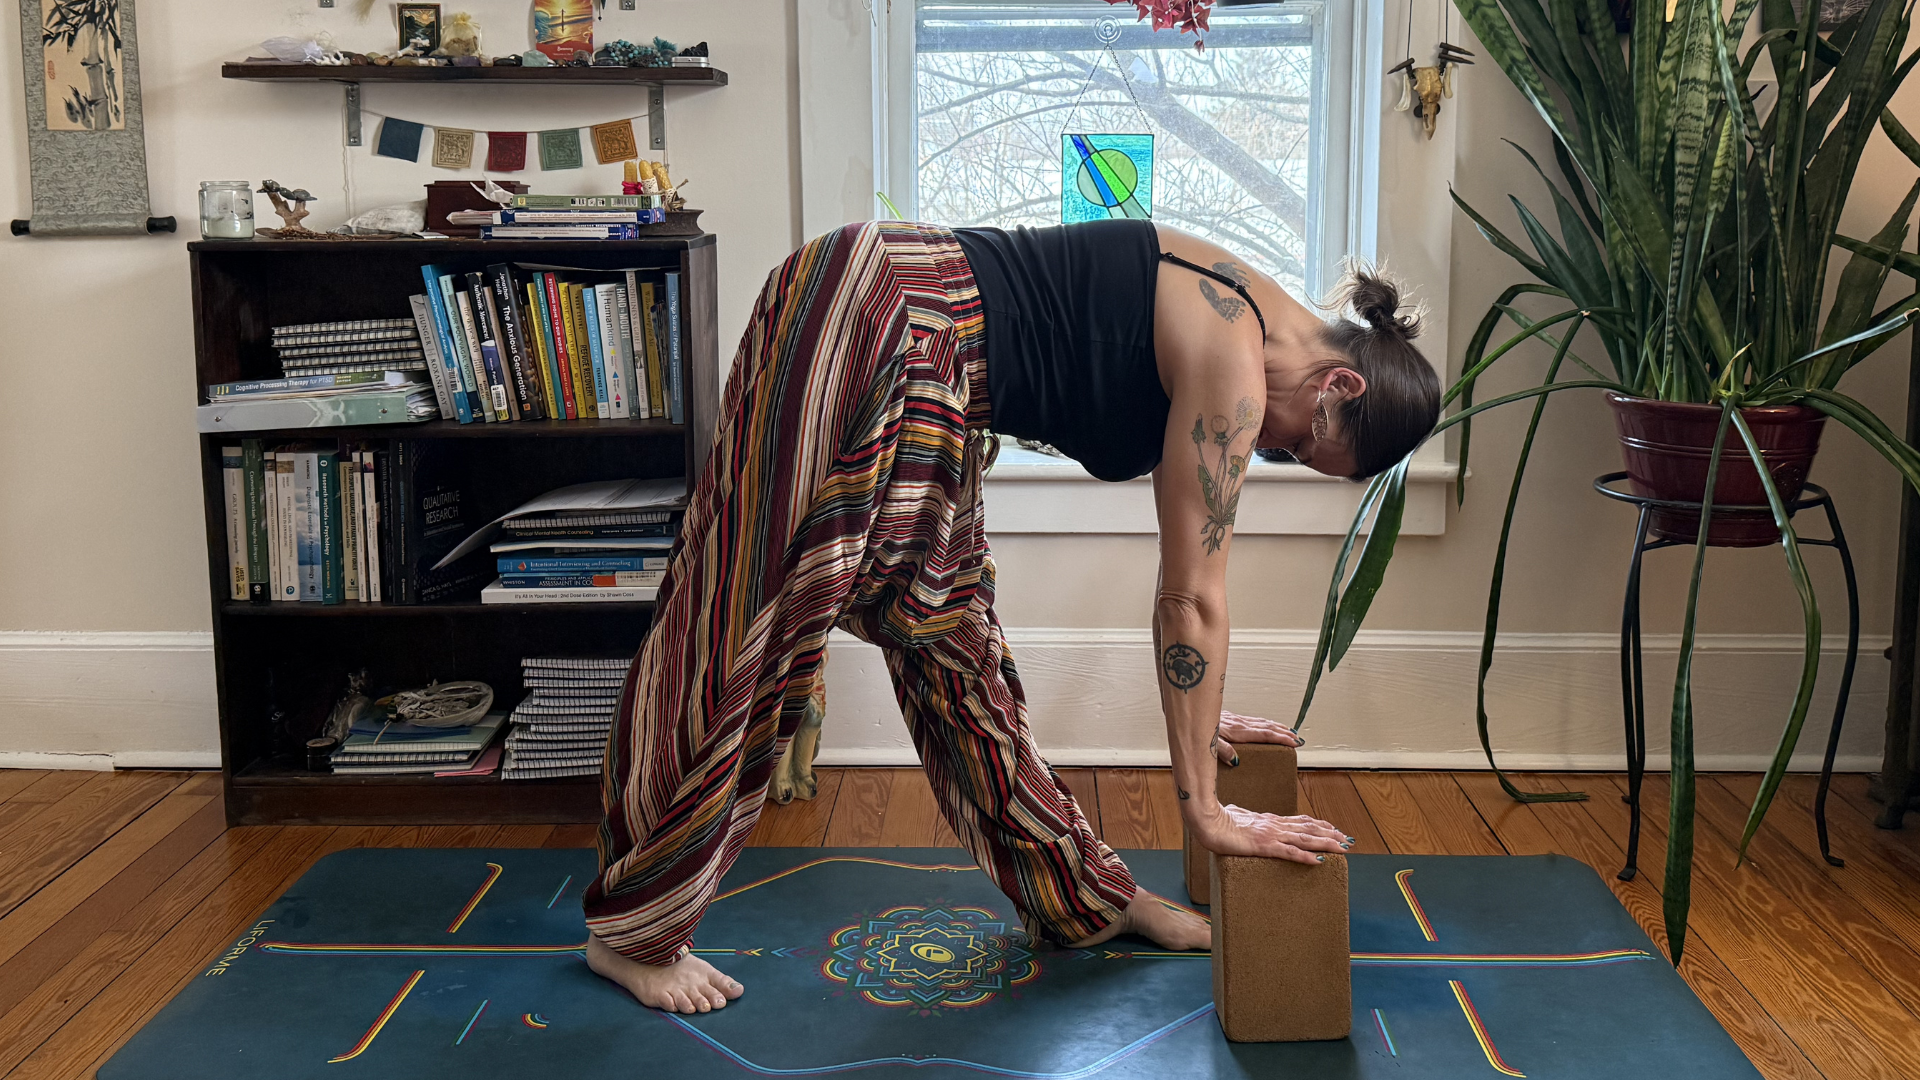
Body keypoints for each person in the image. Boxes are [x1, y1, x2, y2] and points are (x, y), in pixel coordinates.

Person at [581, 218, 1443, 1014]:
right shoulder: (1238, 362)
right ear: (1340, 383)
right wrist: (1206, 814)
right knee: (749, 615)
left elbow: (1191, 590)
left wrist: (1207, 726)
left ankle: (1082, 899)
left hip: (930, 368)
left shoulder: (1248, 315)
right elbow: (1190, 595)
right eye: (1297, 445)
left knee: (953, 647)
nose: (1272, 452)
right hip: (877, 317)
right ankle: (634, 930)